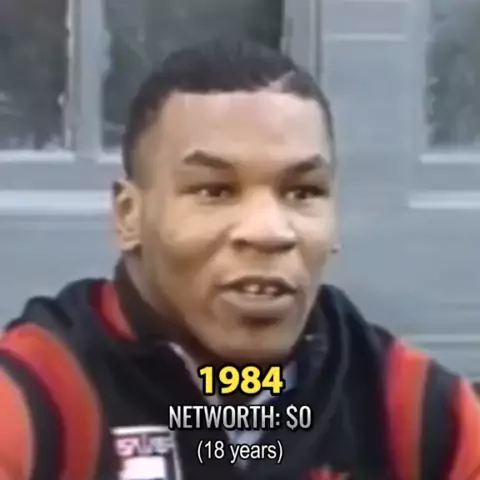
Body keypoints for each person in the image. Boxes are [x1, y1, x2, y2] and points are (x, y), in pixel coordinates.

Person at [0, 40, 479, 480]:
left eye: (303, 191)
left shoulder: (413, 411)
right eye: (214, 191)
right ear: (129, 215)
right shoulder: (38, 395)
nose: (269, 232)